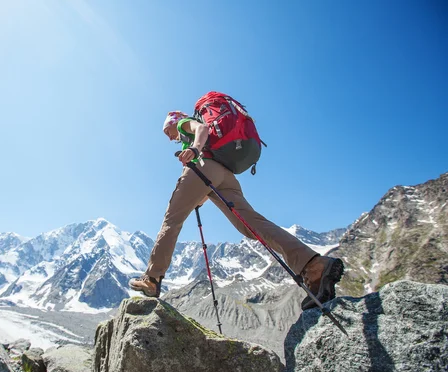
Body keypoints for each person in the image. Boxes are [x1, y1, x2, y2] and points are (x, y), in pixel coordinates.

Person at [129, 110, 344, 310]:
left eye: (167, 131)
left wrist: (194, 149)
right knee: (250, 225)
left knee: (171, 220)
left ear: (174, 121)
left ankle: (152, 278)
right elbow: (205, 183)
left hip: (203, 165)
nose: (169, 137)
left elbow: (201, 129)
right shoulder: (207, 141)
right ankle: (313, 264)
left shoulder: (185, 123)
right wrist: (197, 198)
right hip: (225, 175)